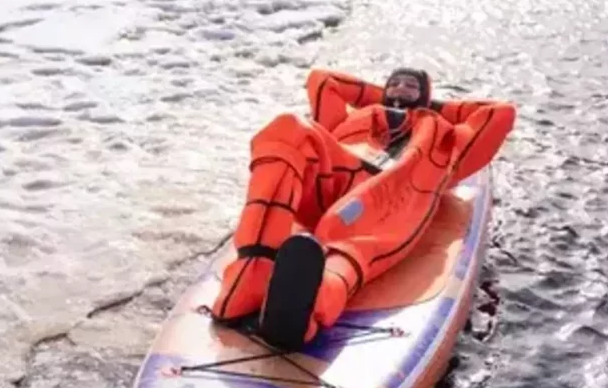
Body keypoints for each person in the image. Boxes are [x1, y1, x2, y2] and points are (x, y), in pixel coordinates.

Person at [210, 66, 516, 350]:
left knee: (352, 239)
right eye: (394, 83)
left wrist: (429, 108)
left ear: (425, 94)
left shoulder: (449, 140)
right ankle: (253, 270)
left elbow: (499, 113)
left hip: (392, 201)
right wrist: (382, 99)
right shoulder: (353, 119)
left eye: (411, 85)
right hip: (336, 179)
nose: (401, 87)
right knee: (286, 128)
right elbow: (322, 80)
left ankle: (311, 302)